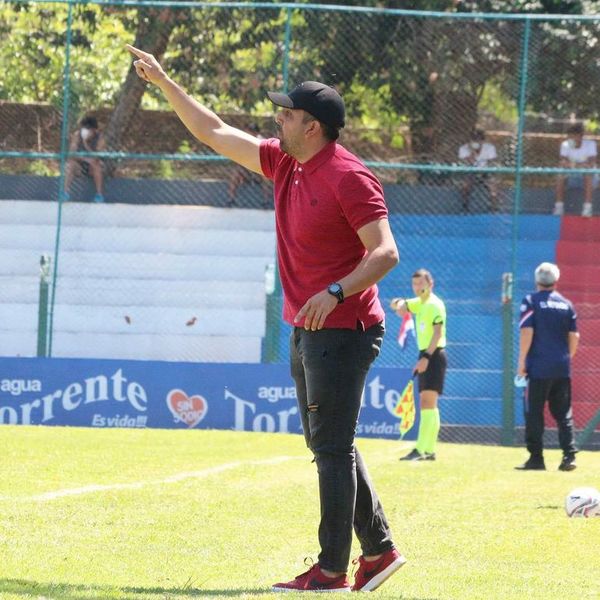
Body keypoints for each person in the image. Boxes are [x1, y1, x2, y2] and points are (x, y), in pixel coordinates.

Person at [126, 45, 405, 593]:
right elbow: (214, 131)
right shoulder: (286, 161)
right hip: (310, 326)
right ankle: (378, 552)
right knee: (330, 444)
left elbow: (386, 253)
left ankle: (329, 571)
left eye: (287, 114)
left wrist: (335, 291)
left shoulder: (349, 177)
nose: (277, 119)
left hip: (344, 328)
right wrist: (163, 82)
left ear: (315, 127)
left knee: (330, 448)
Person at [515, 262, 579, 472]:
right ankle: (569, 457)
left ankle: (536, 458)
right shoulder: (566, 304)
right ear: (556, 280)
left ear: (537, 280)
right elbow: (574, 336)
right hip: (561, 367)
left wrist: (522, 361)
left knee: (534, 412)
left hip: (538, 367)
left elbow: (527, 332)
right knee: (563, 414)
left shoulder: (530, 301)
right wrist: (565, 357)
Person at [390, 269, 447, 461]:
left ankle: (421, 450)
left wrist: (426, 358)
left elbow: (437, 334)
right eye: (414, 284)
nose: (417, 287)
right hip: (427, 354)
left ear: (431, 284)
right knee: (429, 404)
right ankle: (429, 450)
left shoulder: (435, 304)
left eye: (421, 283)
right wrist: (399, 303)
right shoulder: (418, 303)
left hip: (434, 355)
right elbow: (399, 307)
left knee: (426, 403)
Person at [553, 122, 597, 217]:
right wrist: (580, 165)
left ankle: (587, 209)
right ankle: (559, 207)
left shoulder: (590, 144)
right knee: (560, 175)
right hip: (572, 176)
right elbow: (562, 163)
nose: (571, 139)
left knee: (587, 174)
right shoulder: (565, 145)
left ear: (580, 136)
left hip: (590, 178)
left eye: (573, 136)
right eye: (569, 137)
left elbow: (590, 164)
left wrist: (572, 164)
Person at [227, 123, 271, 208]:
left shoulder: (262, 142)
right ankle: (231, 199)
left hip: (259, 169)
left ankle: (266, 200)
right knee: (235, 173)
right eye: (247, 131)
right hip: (247, 169)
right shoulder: (243, 141)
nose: (248, 134)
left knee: (266, 176)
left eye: (250, 132)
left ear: (256, 133)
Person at [63, 116, 106, 203]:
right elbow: (71, 154)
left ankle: (99, 195)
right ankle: (65, 193)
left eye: (88, 129)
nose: (85, 131)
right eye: (84, 128)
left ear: (94, 130)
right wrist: (85, 159)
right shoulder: (77, 135)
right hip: (79, 165)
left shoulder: (100, 138)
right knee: (70, 165)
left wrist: (86, 144)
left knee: (97, 165)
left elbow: (97, 156)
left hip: (92, 166)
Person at [458, 128, 498, 212]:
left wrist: (484, 170)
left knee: (493, 186)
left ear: (483, 140)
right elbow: (470, 162)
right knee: (465, 186)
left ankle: (493, 207)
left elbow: (492, 162)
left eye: (479, 139)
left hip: (485, 171)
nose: (477, 141)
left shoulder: (490, 148)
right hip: (471, 171)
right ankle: (465, 207)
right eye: (474, 139)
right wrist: (472, 151)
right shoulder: (463, 148)